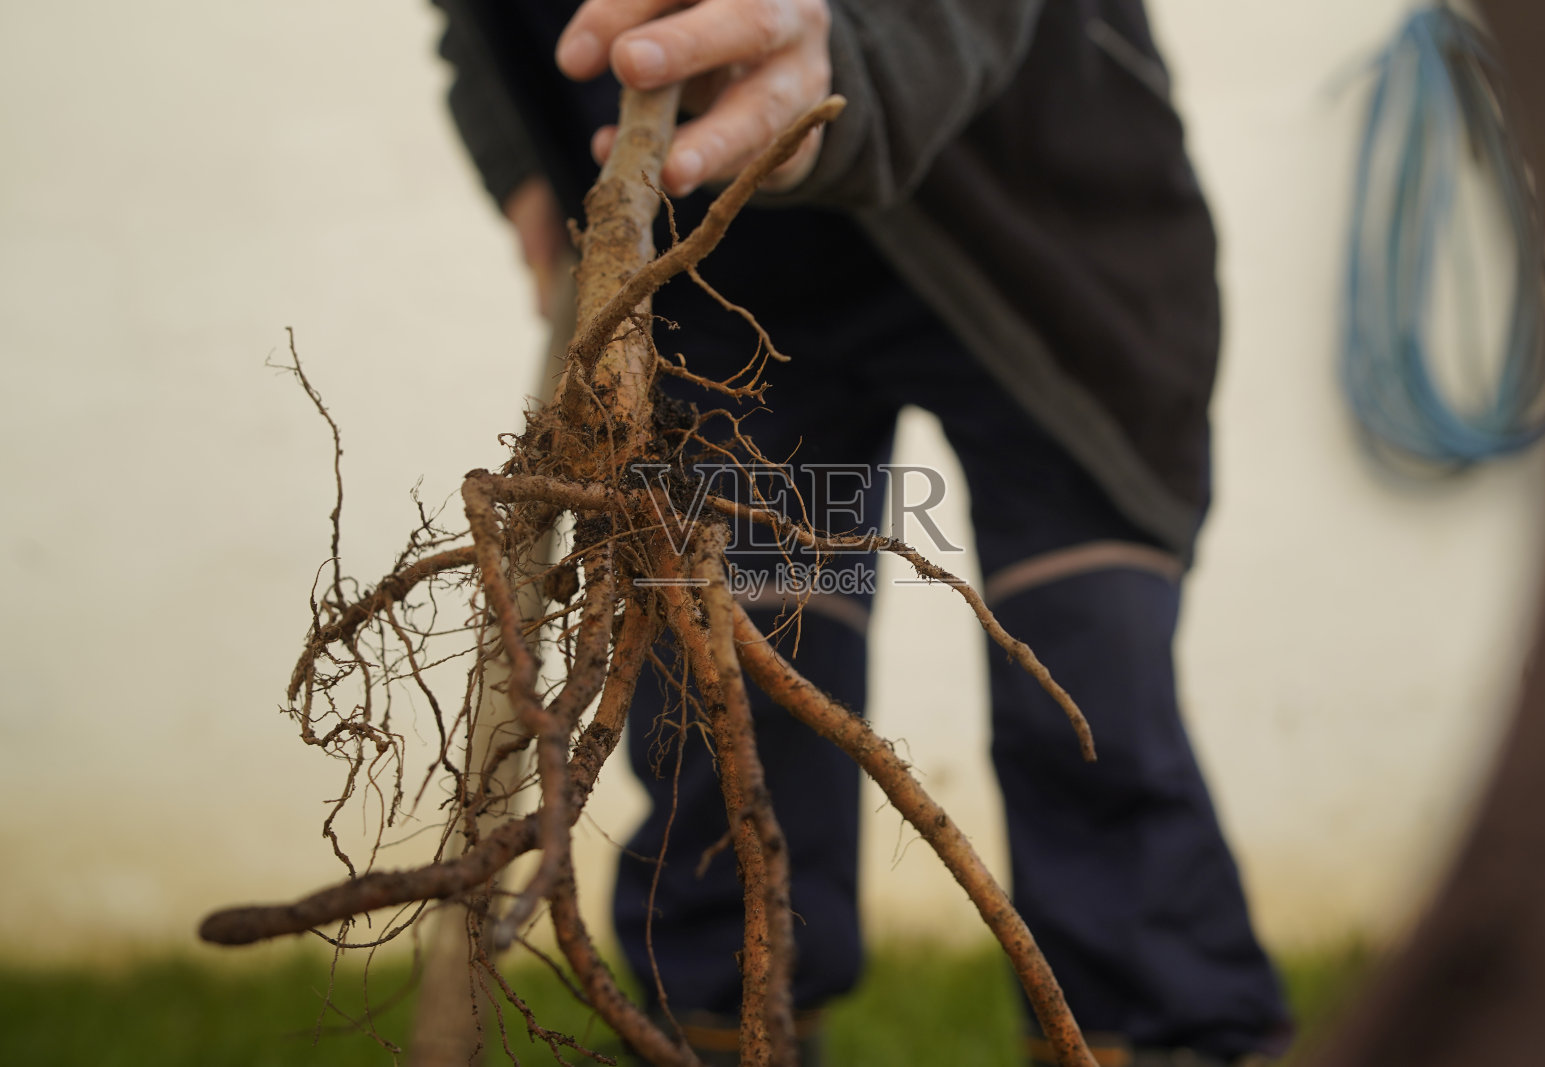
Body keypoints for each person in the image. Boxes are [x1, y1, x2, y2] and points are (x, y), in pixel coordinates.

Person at [431, 1, 1293, 1063]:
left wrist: (856, 53)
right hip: (713, 269)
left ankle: (1159, 1036)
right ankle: (721, 1035)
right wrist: (521, 149)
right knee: (722, 696)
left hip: (1037, 229)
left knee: (1083, 682)